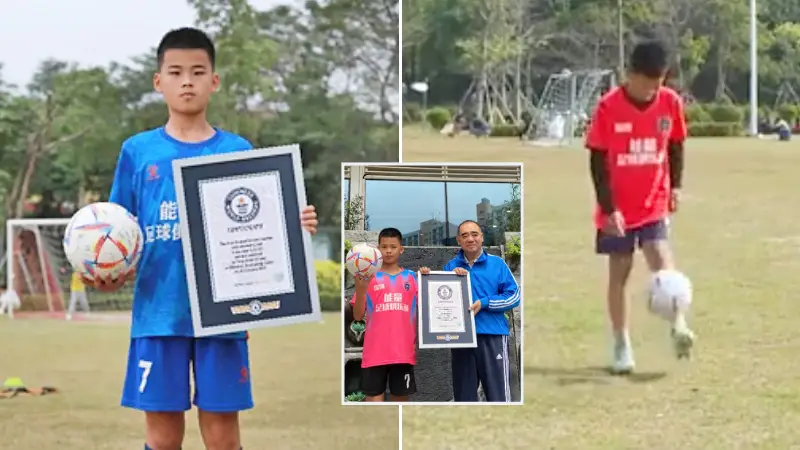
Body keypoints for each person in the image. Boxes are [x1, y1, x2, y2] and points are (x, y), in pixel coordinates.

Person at [80, 27, 319, 450]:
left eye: (197, 71)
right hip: (159, 314)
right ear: (159, 82)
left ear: (214, 80)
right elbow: (119, 236)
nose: (186, 80)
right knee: (162, 435)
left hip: (224, 316)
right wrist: (110, 273)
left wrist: (293, 224)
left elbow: (258, 227)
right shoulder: (138, 151)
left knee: (223, 437)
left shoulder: (237, 149)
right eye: (175, 71)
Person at [585, 39, 695, 374]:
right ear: (630, 74)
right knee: (620, 272)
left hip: (653, 203)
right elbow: (597, 161)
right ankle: (622, 344)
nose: (651, 91)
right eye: (647, 84)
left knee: (664, 265)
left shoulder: (670, 103)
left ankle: (678, 325)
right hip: (616, 208)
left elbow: (676, 145)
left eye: (658, 84)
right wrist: (609, 208)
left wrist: (675, 185)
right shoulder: (608, 106)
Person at [422, 220, 520, 402]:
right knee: (464, 396)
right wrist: (428, 277)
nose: (470, 239)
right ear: (458, 240)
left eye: (474, 234)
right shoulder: (451, 267)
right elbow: (440, 302)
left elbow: (514, 297)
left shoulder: (497, 264)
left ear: (482, 237)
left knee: (499, 395)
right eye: (465, 235)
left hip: (493, 336)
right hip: (462, 339)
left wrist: (484, 303)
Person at [350, 228, 419, 402]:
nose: (388, 251)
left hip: (403, 352)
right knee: (374, 404)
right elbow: (358, 316)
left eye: (393, 247)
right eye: (384, 246)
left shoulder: (413, 278)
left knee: (400, 402)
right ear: (377, 249)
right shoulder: (368, 278)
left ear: (401, 249)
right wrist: (360, 289)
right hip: (375, 352)